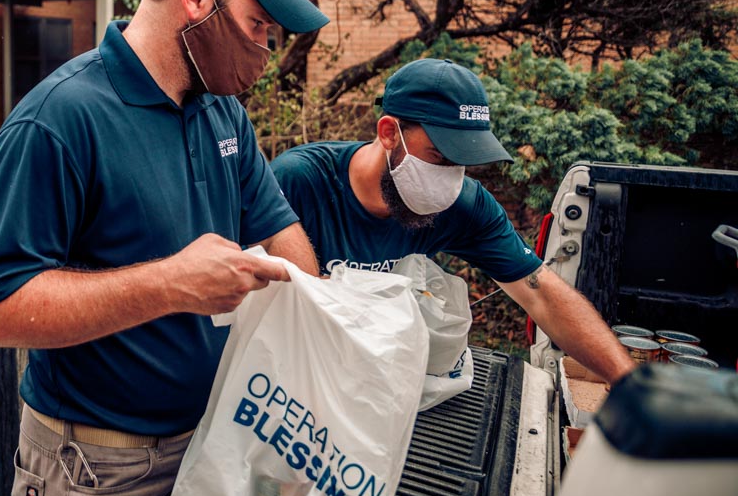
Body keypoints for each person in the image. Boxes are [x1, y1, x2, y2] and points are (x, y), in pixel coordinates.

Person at [0, 0, 330, 496]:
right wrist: (170, 284)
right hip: (99, 470)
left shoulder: (222, 112)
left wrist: (328, 328)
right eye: (258, 25)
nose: (266, 50)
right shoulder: (59, 120)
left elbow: (279, 229)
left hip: (213, 444)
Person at [270, 58, 636, 383]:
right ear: (388, 133)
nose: (448, 179)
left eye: (461, 161)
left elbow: (543, 296)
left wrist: (627, 380)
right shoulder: (299, 182)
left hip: (377, 379)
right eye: (439, 156)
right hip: (294, 374)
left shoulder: (464, 205)